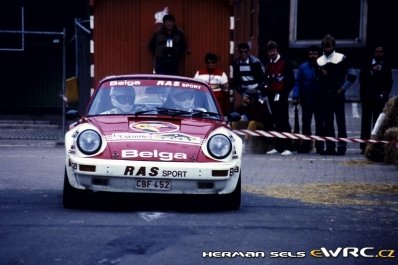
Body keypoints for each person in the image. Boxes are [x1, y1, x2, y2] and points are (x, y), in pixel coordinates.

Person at [317, 34, 357, 155]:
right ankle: (330, 147)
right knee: (327, 122)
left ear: (333, 46)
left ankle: (341, 147)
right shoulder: (319, 60)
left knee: (340, 122)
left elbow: (352, 75)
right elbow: (317, 78)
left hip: (338, 94)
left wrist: (343, 89)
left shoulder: (342, 58)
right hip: (325, 95)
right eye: (325, 46)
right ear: (323, 47)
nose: (327, 49)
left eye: (329, 46)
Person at [359, 45, 393, 154]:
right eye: (377, 51)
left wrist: (385, 92)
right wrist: (372, 72)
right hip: (368, 98)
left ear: (383, 53)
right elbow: (362, 80)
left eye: (381, 52)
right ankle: (364, 145)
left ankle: (377, 146)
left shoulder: (386, 66)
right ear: (374, 53)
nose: (379, 53)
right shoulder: (367, 65)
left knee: (378, 123)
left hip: (380, 99)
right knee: (366, 122)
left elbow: (389, 81)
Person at [263, 40, 295, 156]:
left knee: (284, 121)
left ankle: (288, 147)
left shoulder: (285, 63)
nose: (272, 53)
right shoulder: (268, 65)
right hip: (272, 96)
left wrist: (284, 94)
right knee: (276, 121)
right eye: (270, 51)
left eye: (273, 50)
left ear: (277, 50)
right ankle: (278, 147)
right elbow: (267, 81)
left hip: (281, 95)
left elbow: (291, 81)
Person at [292, 45, 323, 153]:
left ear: (318, 55)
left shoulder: (323, 66)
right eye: (311, 54)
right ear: (308, 55)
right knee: (306, 123)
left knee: (320, 123)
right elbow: (298, 82)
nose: (313, 56)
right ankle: (306, 145)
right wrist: (295, 96)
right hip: (306, 99)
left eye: (315, 54)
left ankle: (320, 146)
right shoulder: (303, 67)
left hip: (319, 99)